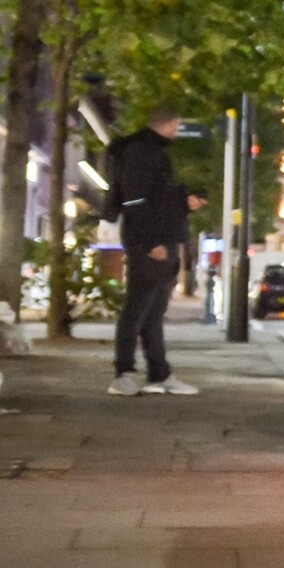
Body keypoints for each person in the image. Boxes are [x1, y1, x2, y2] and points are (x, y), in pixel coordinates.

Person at [104, 108, 203, 396]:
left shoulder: (153, 152)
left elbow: (155, 198)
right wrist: (150, 243)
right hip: (150, 242)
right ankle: (124, 372)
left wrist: (185, 202)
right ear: (169, 123)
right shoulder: (141, 152)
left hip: (161, 239)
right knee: (137, 309)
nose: (177, 129)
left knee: (153, 311)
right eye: (176, 124)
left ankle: (158, 373)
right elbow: (134, 199)